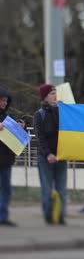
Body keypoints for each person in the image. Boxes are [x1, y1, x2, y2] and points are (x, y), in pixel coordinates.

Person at [33, 84, 68, 225]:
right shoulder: (39, 115)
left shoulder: (61, 112)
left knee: (61, 189)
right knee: (47, 190)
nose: (56, 96)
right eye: (53, 93)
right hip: (45, 158)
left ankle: (60, 216)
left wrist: (66, 110)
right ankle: (48, 216)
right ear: (45, 96)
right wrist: (48, 154)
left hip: (61, 156)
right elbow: (40, 137)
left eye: (56, 93)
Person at [0, 88, 25, 227]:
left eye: (6, 100)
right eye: (2, 100)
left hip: (6, 158)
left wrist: (19, 127)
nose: (4, 102)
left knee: (6, 189)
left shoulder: (6, 115)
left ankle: (3, 217)